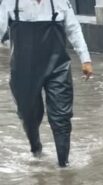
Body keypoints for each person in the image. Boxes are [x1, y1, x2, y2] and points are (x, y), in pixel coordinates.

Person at [0, 0, 94, 168]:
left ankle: (63, 165)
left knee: (61, 117)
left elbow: (73, 29)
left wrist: (85, 59)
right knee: (28, 115)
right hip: (23, 69)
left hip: (57, 67)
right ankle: (36, 149)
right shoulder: (10, 2)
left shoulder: (60, 2)